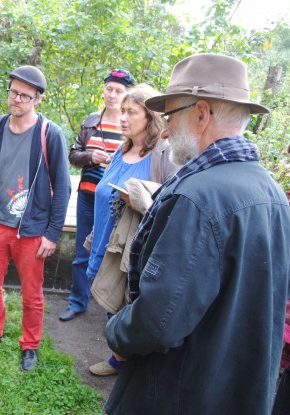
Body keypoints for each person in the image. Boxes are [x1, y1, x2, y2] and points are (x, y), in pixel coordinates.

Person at [104, 53, 290, 414]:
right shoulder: (271, 193)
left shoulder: (197, 196)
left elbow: (158, 323)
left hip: (179, 393)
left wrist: (117, 333)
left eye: (172, 115)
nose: (168, 129)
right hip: (238, 393)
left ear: (202, 113)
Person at [0, 65, 71, 372]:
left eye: (25, 96)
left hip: (31, 228)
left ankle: (29, 345)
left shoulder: (49, 135)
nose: (17, 100)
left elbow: (62, 186)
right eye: (13, 92)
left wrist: (52, 233)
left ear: (37, 99)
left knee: (32, 292)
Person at [78, 84, 179, 377]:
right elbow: (105, 197)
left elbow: (172, 202)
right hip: (105, 240)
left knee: (127, 304)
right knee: (111, 300)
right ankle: (121, 359)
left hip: (132, 247)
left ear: (150, 117)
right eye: (122, 111)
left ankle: (125, 363)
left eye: (131, 112)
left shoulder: (164, 154)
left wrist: (139, 197)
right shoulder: (121, 152)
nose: (122, 117)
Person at [60, 69, 136, 322]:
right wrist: (90, 157)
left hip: (117, 203)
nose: (112, 95)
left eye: (119, 91)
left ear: (127, 95)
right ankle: (77, 302)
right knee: (82, 252)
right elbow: (74, 155)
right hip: (87, 196)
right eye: (109, 89)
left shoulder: (132, 124)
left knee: (112, 253)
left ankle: (110, 309)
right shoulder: (91, 121)